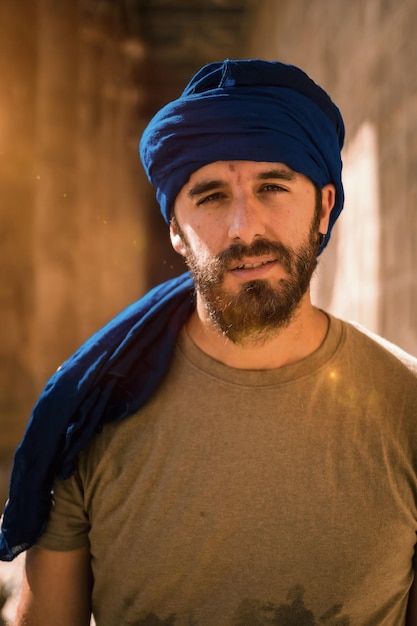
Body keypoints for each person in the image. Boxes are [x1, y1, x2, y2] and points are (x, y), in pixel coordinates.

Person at [2, 58, 417, 626]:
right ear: (175, 229)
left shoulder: (409, 410)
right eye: (212, 197)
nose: (244, 227)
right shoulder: (92, 416)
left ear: (323, 208)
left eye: (273, 186)